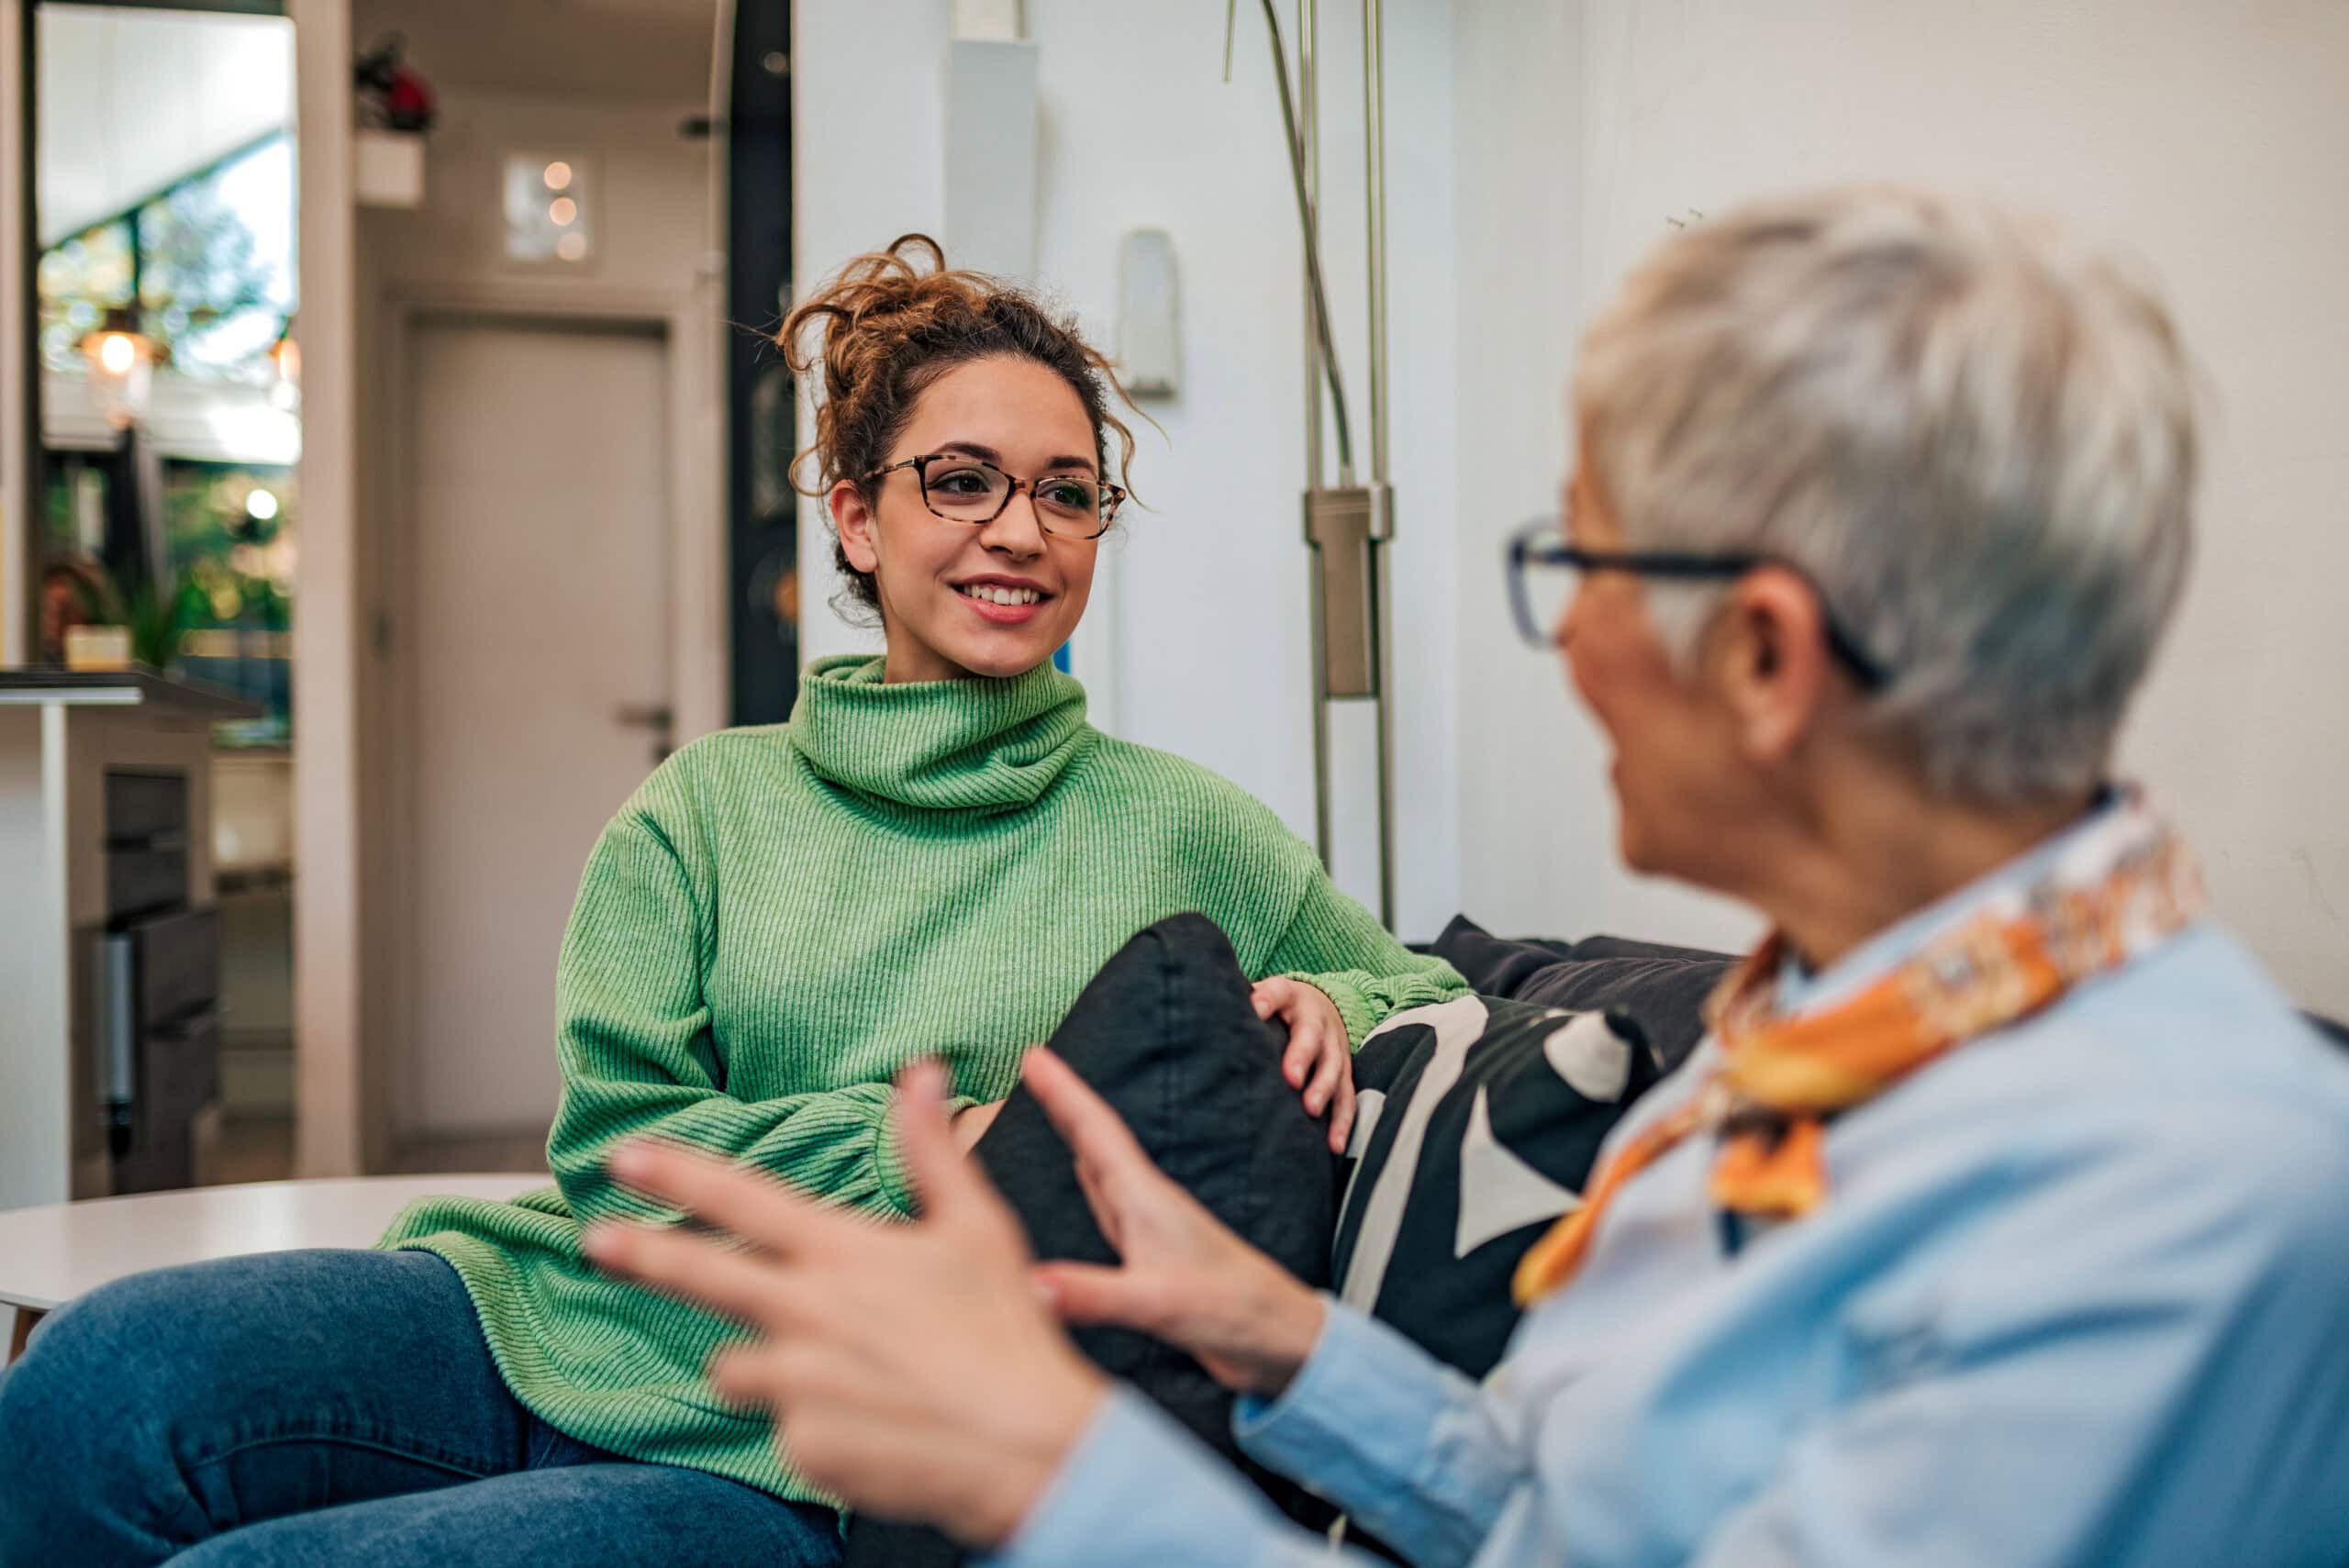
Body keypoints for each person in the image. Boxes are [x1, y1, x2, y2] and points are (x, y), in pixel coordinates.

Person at [584, 187, 2349, 1566]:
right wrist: (1287, 1341)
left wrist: (1056, 1469)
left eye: (1580, 553)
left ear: (1762, 654)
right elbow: (1575, 1519)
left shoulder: (2172, 1214)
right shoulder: (1820, 1028)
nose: (1564, 634)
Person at [0, 236, 1463, 1566]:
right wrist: (930, 1144)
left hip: (804, 1452)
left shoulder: (1187, 827)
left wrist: (1330, 998)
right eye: (961, 480)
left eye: (1067, 492)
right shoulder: (705, 804)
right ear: (854, 517)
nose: (1020, 529)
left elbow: (1437, 989)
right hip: (552, 1314)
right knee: (91, 1379)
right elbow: (620, 1145)